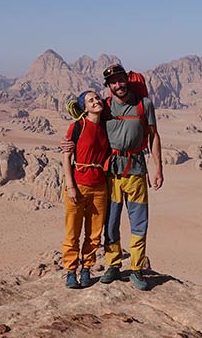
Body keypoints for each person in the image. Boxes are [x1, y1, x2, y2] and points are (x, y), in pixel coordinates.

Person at [62, 63, 163, 290]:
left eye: (120, 80)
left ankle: (136, 269)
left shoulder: (144, 104)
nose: (118, 85)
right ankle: (113, 265)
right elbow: (85, 123)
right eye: (113, 82)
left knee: (139, 223)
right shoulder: (105, 107)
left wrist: (159, 168)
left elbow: (153, 136)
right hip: (111, 173)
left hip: (136, 171)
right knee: (110, 223)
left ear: (127, 79)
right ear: (108, 87)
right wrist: (68, 145)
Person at [62, 90, 110, 289]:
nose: (96, 101)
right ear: (84, 107)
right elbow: (66, 157)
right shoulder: (77, 127)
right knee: (73, 231)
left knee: (94, 234)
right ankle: (71, 271)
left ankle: (86, 269)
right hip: (78, 185)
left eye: (97, 98)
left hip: (100, 186)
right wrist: (70, 185)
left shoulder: (107, 127)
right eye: (91, 100)